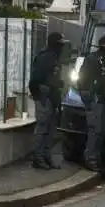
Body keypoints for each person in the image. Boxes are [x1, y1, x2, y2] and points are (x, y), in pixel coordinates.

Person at [78, 34, 105, 172]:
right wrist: (88, 97)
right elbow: (82, 80)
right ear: (103, 45)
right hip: (96, 99)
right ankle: (90, 159)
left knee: (102, 131)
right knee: (95, 130)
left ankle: (97, 157)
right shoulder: (92, 59)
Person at [28, 32, 68, 170]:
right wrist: (39, 94)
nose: (62, 47)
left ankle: (46, 156)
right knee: (42, 129)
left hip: (53, 98)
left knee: (50, 130)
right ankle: (37, 158)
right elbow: (35, 80)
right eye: (60, 44)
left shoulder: (55, 57)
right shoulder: (44, 57)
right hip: (44, 98)